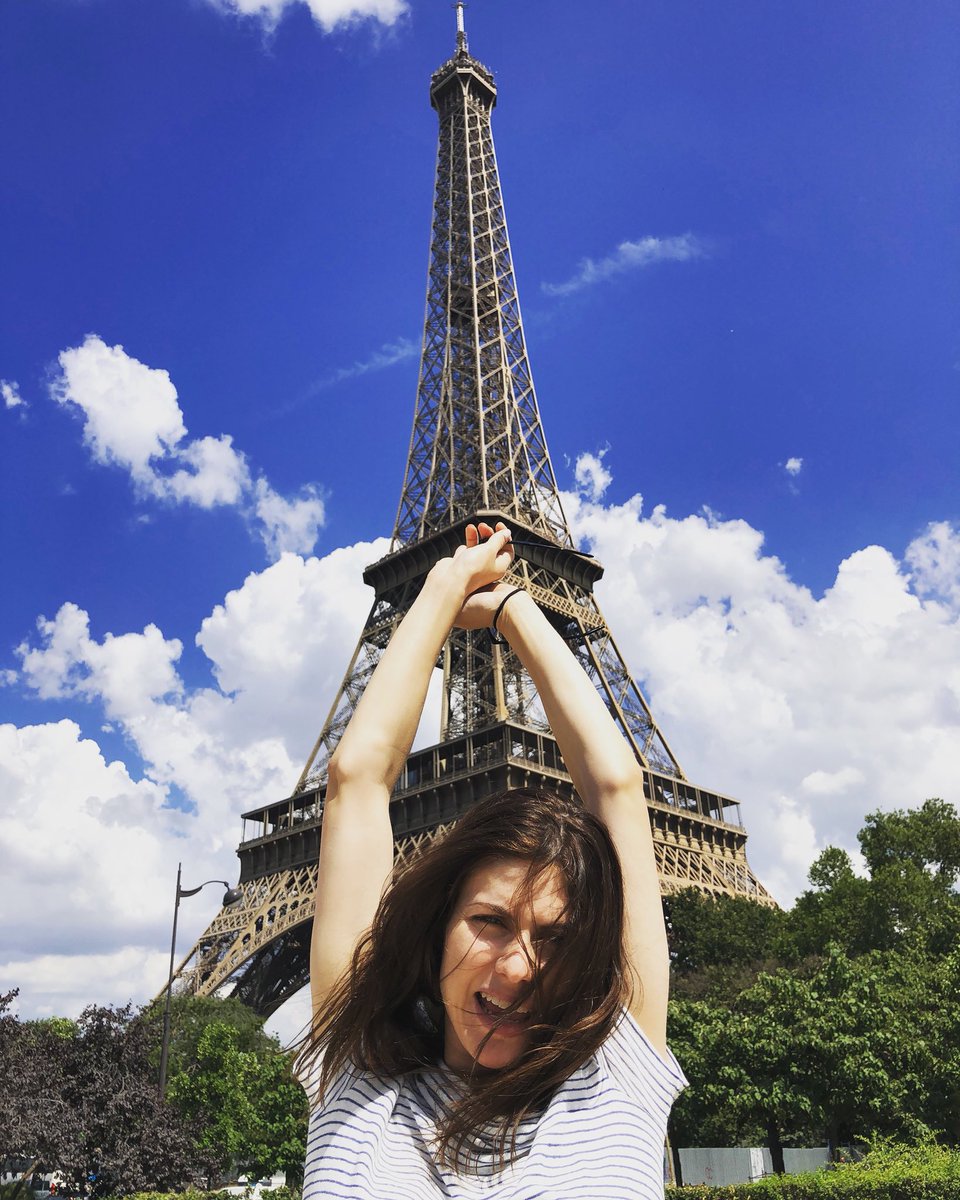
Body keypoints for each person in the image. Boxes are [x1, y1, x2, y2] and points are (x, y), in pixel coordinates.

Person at [298, 522, 687, 1198]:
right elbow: (356, 780)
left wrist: (513, 606)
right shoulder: (357, 1075)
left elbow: (619, 789)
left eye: (556, 937)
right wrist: (443, 585)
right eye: (490, 921)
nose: (519, 966)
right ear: (437, 929)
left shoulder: (619, 1072)